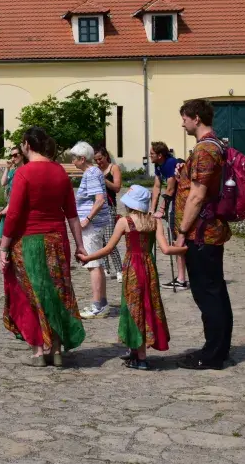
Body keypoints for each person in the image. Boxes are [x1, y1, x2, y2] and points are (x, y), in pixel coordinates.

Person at [0, 127, 87, 367]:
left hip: (29, 242)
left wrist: (4, 247)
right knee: (56, 293)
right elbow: (71, 214)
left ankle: (39, 351)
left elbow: (15, 214)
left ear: (27, 144)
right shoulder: (60, 172)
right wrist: (80, 245)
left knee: (30, 293)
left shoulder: (24, 173)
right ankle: (56, 349)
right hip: (57, 241)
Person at [167, 99, 233, 370]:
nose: (182, 123)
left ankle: (213, 354)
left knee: (208, 293)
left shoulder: (206, 149)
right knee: (213, 291)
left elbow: (197, 195)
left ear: (195, 118)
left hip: (202, 232)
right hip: (205, 231)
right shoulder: (211, 146)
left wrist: (182, 231)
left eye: (184, 118)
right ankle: (216, 347)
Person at [76, 185, 170, 370]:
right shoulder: (154, 222)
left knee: (133, 308)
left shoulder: (124, 222)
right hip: (149, 268)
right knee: (147, 305)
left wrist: (88, 257)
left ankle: (140, 356)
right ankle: (135, 349)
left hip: (132, 269)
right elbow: (164, 248)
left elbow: (108, 248)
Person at [70, 141, 112, 319]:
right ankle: (101, 303)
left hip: (92, 226)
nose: (72, 161)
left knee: (92, 264)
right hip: (95, 224)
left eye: (74, 158)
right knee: (97, 263)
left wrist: (87, 219)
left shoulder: (91, 173)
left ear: (81, 158)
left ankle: (97, 306)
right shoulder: (93, 172)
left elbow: (100, 199)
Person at [150, 141, 186, 290]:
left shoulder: (170, 163)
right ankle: (181, 278)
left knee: (178, 239)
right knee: (177, 238)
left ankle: (182, 279)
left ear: (160, 155)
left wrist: (162, 210)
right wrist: (152, 210)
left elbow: (170, 190)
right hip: (175, 204)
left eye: (152, 153)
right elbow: (157, 187)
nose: (149, 155)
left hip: (182, 204)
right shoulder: (158, 165)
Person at [0, 146, 25, 274]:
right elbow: (3, 183)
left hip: (15, 207)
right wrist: (7, 168)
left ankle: (9, 263)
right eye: (12, 155)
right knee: (0, 239)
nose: (13, 158)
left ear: (22, 155)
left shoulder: (25, 171)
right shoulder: (12, 172)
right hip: (8, 206)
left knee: (12, 237)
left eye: (16, 155)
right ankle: (4, 262)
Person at [94, 146, 124, 282]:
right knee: (101, 240)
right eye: (96, 160)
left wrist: (103, 179)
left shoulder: (114, 168)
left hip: (110, 207)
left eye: (100, 159)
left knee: (111, 239)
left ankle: (119, 270)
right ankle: (106, 268)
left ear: (106, 156)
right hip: (98, 208)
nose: (98, 162)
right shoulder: (96, 170)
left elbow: (117, 188)